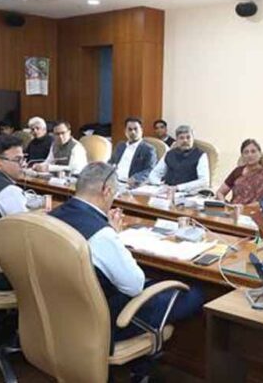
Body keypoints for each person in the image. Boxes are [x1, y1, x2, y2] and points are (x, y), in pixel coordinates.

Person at [49, 162, 204, 346]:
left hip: (58, 316)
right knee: (196, 294)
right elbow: (135, 286)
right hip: (102, 323)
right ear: (106, 191)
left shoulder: (51, 216)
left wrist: (108, 231)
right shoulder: (101, 235)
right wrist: (112, 235)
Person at [147, 125, 209, 193]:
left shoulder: (200, 155)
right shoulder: (169, 154)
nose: (185, 140)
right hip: (167, 191)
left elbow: (204, 181)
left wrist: (178, 188)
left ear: (193, 139)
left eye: (188, 137)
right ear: (176, 140)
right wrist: (160, 184)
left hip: (188, 193)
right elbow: (154, 174)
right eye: (181, 138)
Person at [216, 139, 263, 205]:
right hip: (234, 208)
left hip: (255, 209)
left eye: (253, 151)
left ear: (260, 154)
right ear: (242, 156)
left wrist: (246, 208)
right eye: (246, 152)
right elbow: (220, 192)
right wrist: (224, 205)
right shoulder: (238, 171)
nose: (250, 155)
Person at [108, 117, 157, 186]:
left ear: (141, 130)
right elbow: (111, 162)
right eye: (130, 129)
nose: (133, 132)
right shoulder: (120, 146)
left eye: (135, 129)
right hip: (114, 182)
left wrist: (136, 178)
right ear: (125, 131)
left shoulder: (148, 149)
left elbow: (150, 169)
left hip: (131, 184)